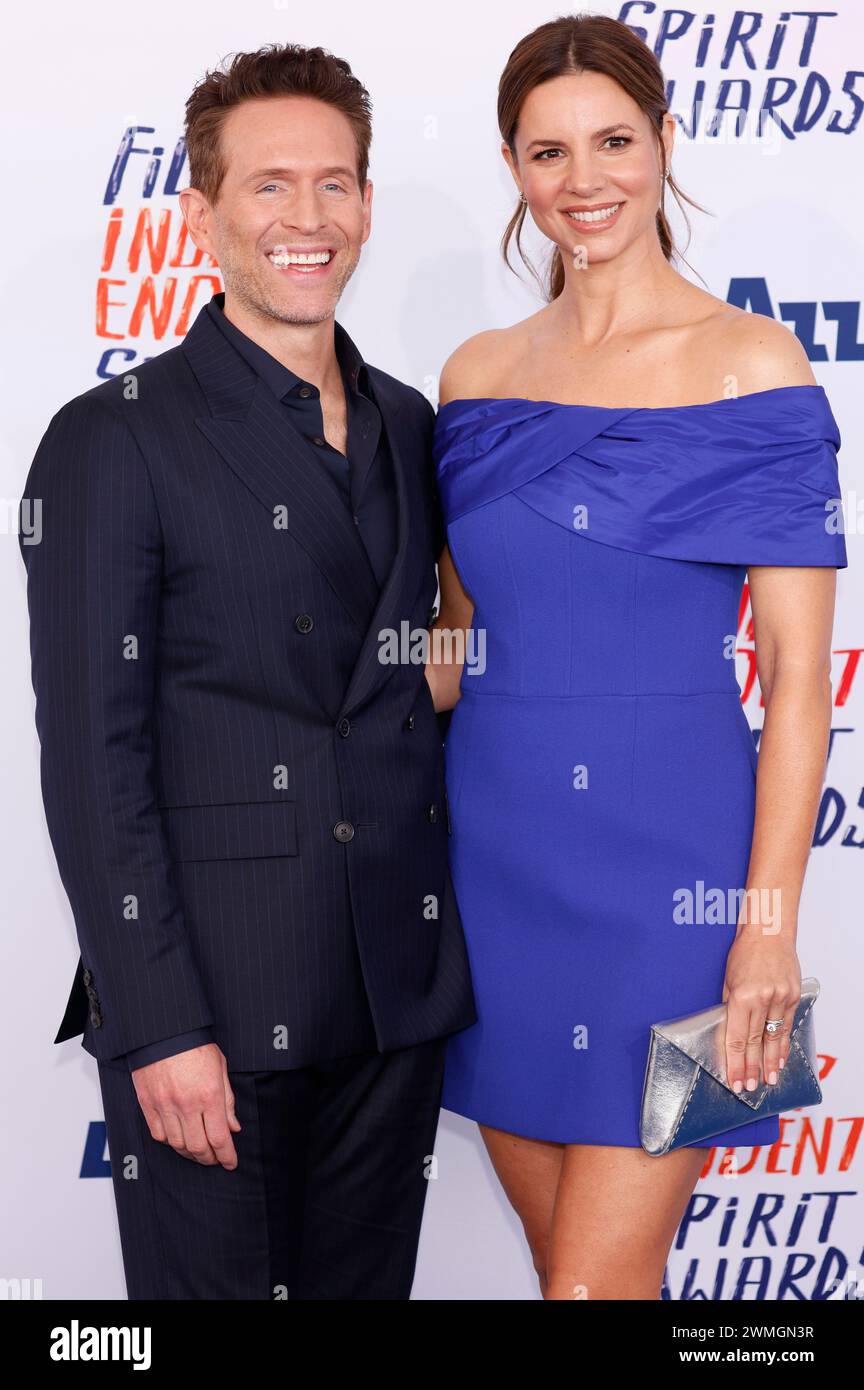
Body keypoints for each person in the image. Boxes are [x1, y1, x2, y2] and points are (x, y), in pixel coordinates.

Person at [19, 42, 475, 1300]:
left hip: (392, 996)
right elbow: (93, 761)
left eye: (336, 185)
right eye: (269, 186)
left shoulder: (407, 421)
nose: (307, 220)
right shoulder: (112, 438)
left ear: (369, 206)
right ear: (202, 212)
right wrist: (158, 1023)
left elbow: (400, 668)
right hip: (212, 1002)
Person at [425, 14, 847, 1301]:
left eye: (614, 141)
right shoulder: (477, 377)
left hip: (681, 896)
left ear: (666, 141)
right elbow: (451, 648)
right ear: (514, 166)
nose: (584, 179)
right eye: (549, 152)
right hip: (496, 877)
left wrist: (766, 928)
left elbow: (794, 684)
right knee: (588, 1283)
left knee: (590, 1293)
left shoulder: (751, 365)